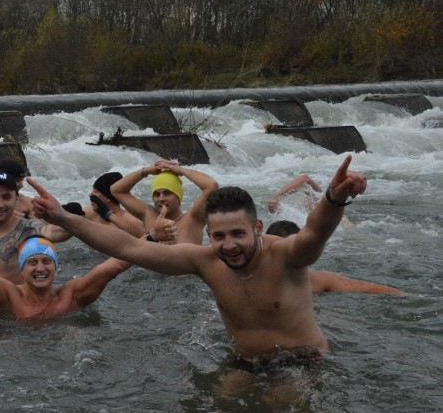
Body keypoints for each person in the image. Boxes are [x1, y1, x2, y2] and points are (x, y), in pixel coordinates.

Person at [29, 155, 368, 364]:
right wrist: (65, 218)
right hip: (245, 363)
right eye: (219, 236)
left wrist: (333, 199)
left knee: (284, 406)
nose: (229, 245)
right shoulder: (206, 261)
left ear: (258, 228)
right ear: (208, 234)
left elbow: (314, 234)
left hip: (303, 361)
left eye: (238, 234)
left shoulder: (286, 255)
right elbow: (129, 249)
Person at [0, 208, 131, 320]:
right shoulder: (9, 297)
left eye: (47, 261)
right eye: (32, 263)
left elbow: (110, 268)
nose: (40, 268)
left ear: (55, 267)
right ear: (22, 268)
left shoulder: (70, 296)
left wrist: (151, 238)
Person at [266, 221, 404, 295]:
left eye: (292, 253)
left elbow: (361, 287)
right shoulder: (254, 279)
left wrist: (406, 297)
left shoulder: (317, 280)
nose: (288, 261)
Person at [111, 159, 218, 244]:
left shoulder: (194, 218)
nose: (161, 199)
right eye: (157, 194)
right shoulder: (148, 214)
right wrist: (146, 171)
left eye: (167, 193)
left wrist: (181, 171)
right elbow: (117, 190)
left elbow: (211, 186)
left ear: (178, 196)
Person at [268, 174, 353, 227]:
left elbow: (305, 179)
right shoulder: (321, 200)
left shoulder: (325, 202)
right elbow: (305, 180)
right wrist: (276, 202)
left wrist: (275, 198)